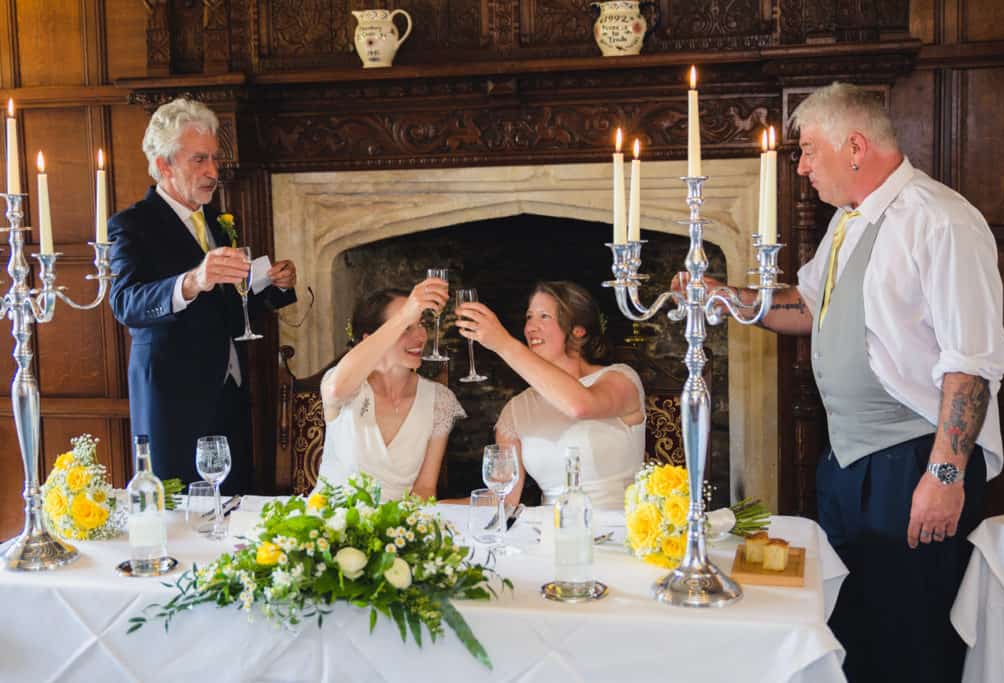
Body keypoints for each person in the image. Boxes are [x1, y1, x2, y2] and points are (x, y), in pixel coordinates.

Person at [677, 82, 1004, 682]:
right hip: (850, 464)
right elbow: (808, 306)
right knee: (856, 631)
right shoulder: (849, 222)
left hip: (912, 463)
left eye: (808, 150)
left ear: (854, 146)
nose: (801, 166)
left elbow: (973, 362)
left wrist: (944, 475)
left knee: (914, 638)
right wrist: (726, 296)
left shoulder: (941, 221)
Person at [108, 98, 298, 495]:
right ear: (164, 165)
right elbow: (125, 303)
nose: (213, 172)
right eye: (199, 160)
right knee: (180, 516)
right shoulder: (133, 225)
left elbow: (227, 310)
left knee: (232, 508)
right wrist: (192, 281)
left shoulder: (215, 219)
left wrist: (272, 286)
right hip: (173, 402)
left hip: (229, 396)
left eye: (214, 158)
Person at [455, 281, 645, 510]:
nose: (531, 328)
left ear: (578, 330)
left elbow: (580, 406)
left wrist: (503, 344)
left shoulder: (620, 379)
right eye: (529, 317)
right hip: (551, 534)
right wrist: (427, 510)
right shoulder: (516, 409)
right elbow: (503, 499)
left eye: (544, 316)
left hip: (621, 530)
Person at [319, 281, 466, 501]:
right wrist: (405, 313)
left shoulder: (439, 400)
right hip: (331, 523)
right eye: (406, 327)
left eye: (420, 324)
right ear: (372, 339)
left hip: (397, 529)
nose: (420, 337)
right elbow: (336, 390)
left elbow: (425, 489)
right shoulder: (344, 385)